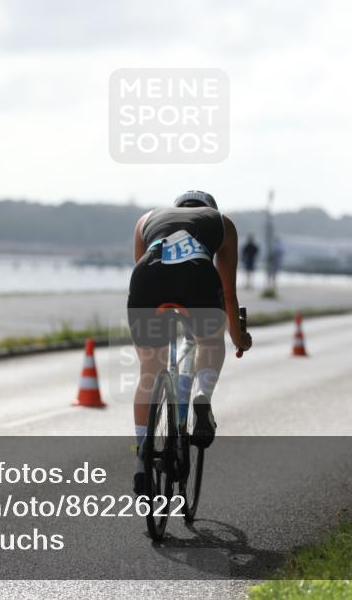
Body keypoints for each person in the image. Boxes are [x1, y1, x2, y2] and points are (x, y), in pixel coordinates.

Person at [127, 190, 252, 495]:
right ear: (209, 209)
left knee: (149, 370)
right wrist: (239, 338)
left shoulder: (147, 218)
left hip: (147, 278)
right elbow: (229, 292)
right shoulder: (222, 223)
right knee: (210, 341)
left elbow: (142, 264)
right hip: (197, 277)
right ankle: (202, 399)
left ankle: (142, 461)